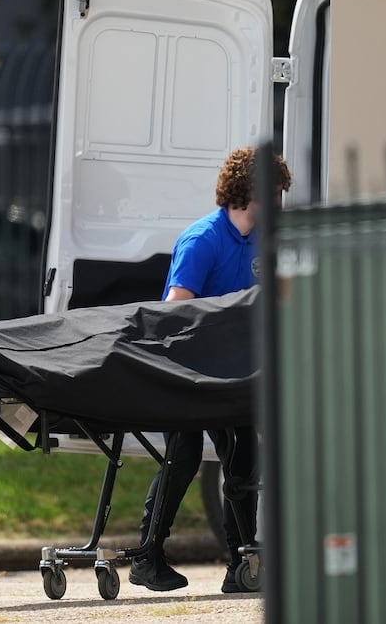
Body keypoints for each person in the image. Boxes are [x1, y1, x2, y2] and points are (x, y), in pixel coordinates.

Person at [128, 146, 292, 594]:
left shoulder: (264, 240)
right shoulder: (203, 239)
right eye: (276, 191)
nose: (280, 201)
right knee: (181, 458)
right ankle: (148, 556)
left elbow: (281, 296)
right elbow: (174, 310)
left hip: (234, 369)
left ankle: (242, 564)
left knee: (243, 460)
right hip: (190, 368)